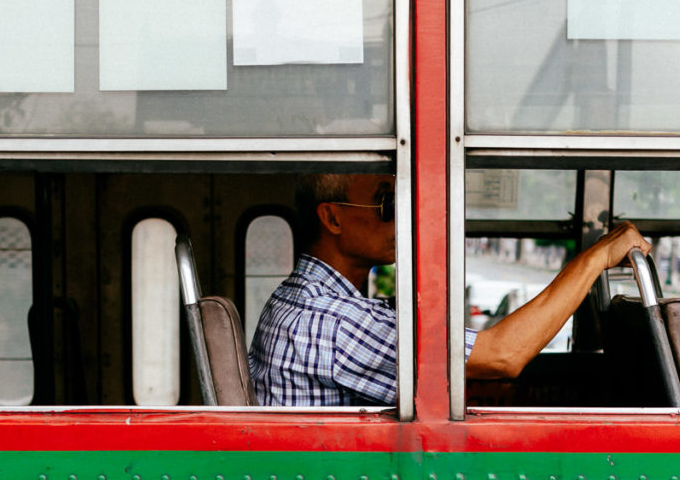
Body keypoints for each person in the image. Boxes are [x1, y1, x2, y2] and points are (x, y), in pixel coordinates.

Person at [247, 173, 651, 406]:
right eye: (387, 205)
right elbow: (503, 356)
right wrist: (597, 256)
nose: (401, 219)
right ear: (332, 218)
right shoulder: (328, 319)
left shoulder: (302, 299)